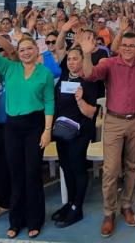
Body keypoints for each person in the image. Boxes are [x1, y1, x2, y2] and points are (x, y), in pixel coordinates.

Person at [0, 12, 55, 239]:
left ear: (37, 50)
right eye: (21, 50)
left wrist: (47, 130)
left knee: (32, 173)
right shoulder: (9, 69)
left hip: (35, 125)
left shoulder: (45, 73)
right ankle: (16, 220)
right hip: (13, 127)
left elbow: (49, 102)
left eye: (29, 49)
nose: (25, 53)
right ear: (18, 53)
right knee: (16, 174)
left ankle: (35, 219)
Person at [82, 28, 135, 237]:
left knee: (133, 166)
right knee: (111, 170)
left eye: (132, 46)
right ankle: (108, 212)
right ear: (119, 47)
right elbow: (89, 74)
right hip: (113, 121)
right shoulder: (109, 64)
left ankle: (126, 205)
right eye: (124, 46)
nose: (128, 49)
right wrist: (86, 54)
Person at [51, 40, 103, 229]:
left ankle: (77, 208)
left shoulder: (89, 81)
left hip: (80, 133)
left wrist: (80, 101)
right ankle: (70, 203)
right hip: (62, 132)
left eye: (75, 59)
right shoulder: (64, 78)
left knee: (78, 169)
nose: (72, 62)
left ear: (82, 60)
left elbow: (91, 113)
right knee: (65, 167)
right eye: (70, 59)